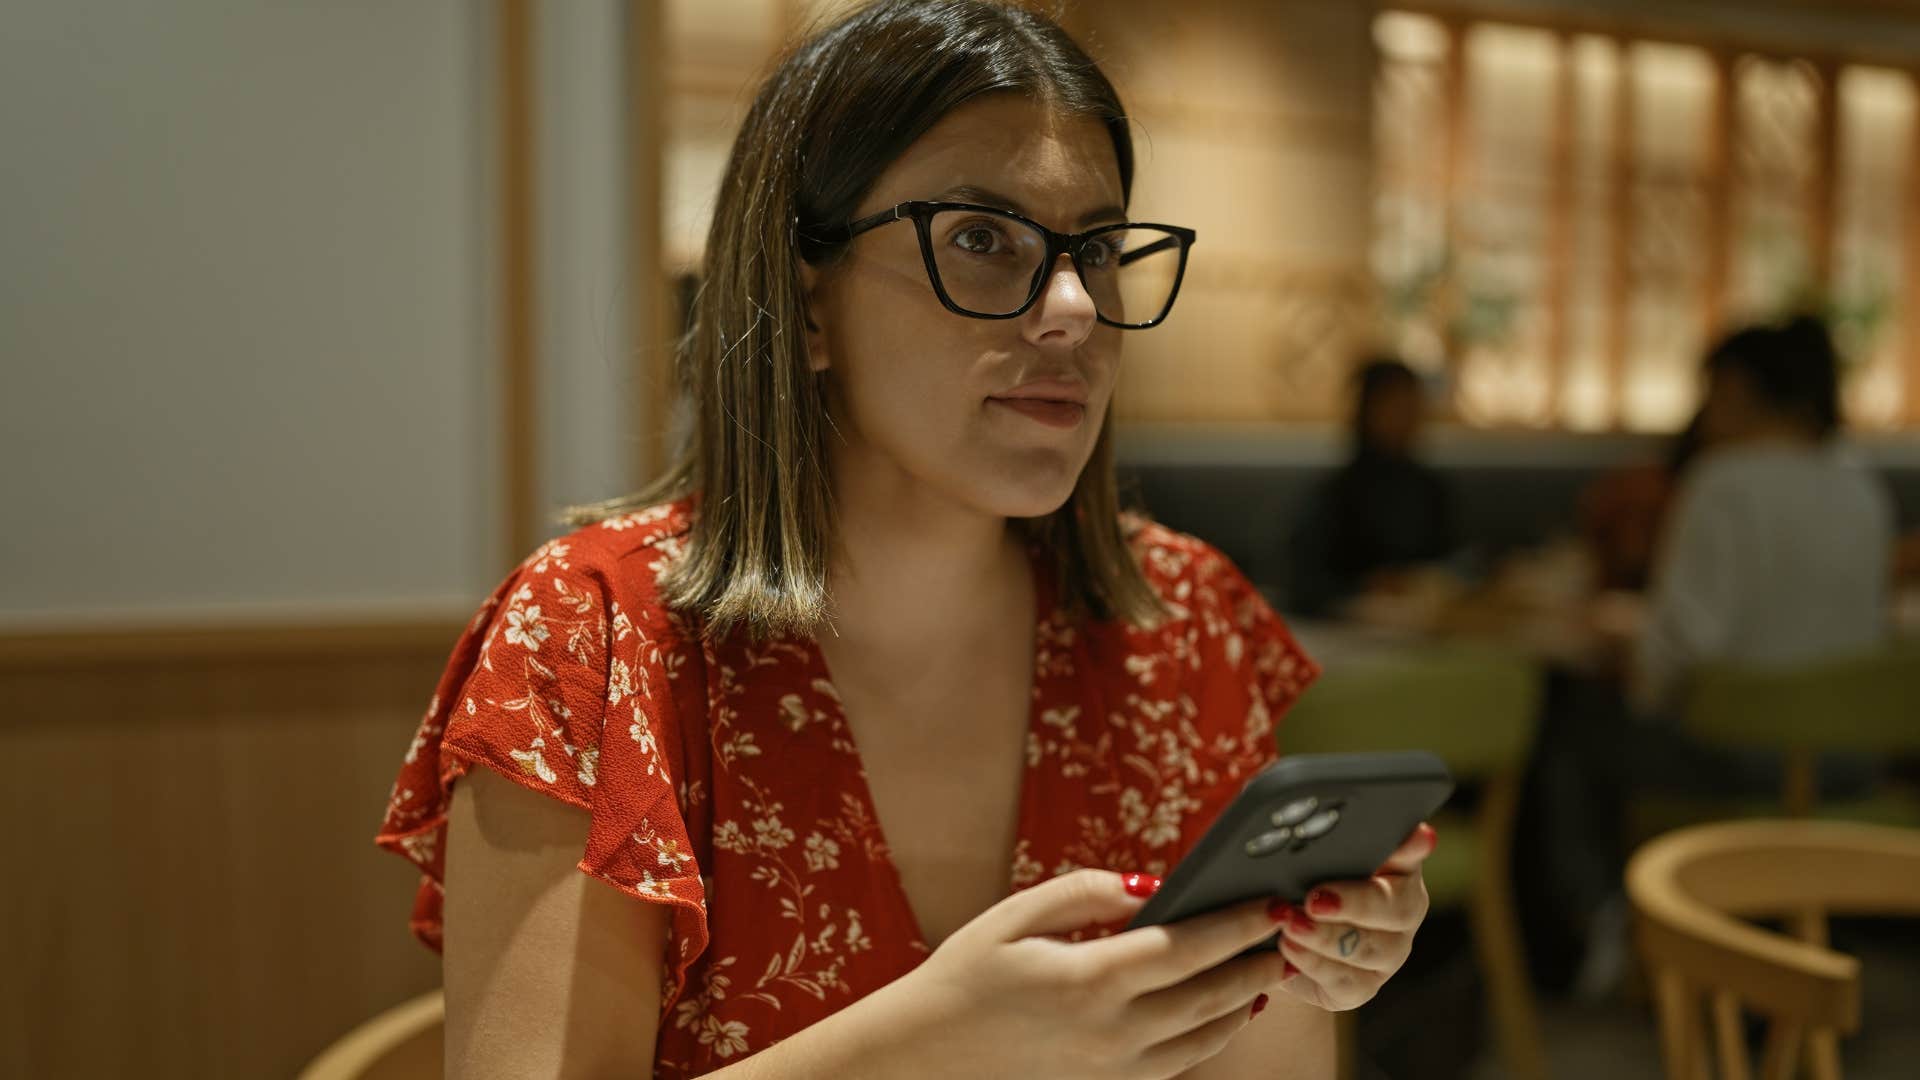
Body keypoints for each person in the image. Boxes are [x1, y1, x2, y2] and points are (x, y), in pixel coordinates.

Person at [374, 4, 1437, 1077]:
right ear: (806, 298)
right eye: (983, 239)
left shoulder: (1175, 615)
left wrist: (1305, 969)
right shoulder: (594, 639)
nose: (1073, 306)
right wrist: (943, 1043)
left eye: (1101, 248)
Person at [1631, 315, 1895, 716]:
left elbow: (1684, 645)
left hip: (1739, 748)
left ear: (1733, 387)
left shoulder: (1723, 483)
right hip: (1850, 754)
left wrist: (1634, 672)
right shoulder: (1861, 488)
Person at [1286, 357, 1457, 619]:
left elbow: (1460, 562)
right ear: (1365, 410)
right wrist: (1364, 588)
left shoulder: (1432, 489)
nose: (1408, 417)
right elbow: (1302, 582)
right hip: (1352, 636)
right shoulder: (1337, 494)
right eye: (1395, 406)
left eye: (1413, 406)